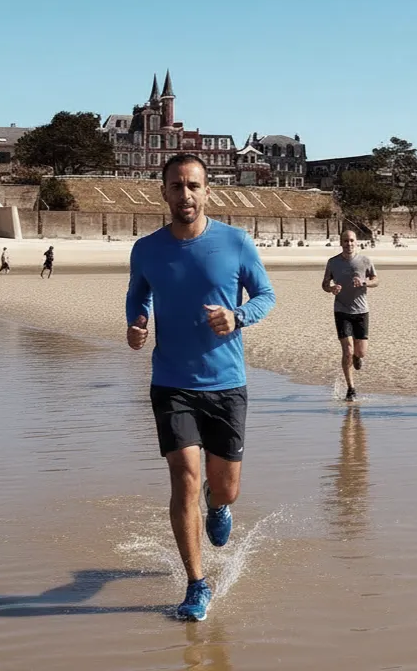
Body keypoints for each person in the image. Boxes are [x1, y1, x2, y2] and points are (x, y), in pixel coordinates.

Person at [126, 154, 275, 621]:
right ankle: (196, 584)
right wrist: (137, 321)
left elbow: (266, 295)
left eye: (193, 185)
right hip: (171, 382)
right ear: (163, 192)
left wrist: (238, 316)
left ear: (208, 191)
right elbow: (137, 293)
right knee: (184, 476)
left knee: (224, 488)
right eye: (176, 186)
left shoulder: (235, 241)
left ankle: (218, 504)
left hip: (226, 382)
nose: (185, 194)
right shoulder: (147, 249)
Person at [321, 230, 378, 402]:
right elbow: (324, 284)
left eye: (351, 240)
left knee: (360, 352)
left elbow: (376, 280)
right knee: (347, 351)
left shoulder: (365, 261)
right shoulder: (333, 262)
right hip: (341, 310)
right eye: (345, 241)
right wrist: (331, 288)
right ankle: (351, 389)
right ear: (341, 243)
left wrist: (364, 282)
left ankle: (357, 357)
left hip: (361, 310)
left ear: (356, 242)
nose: (349, 244)